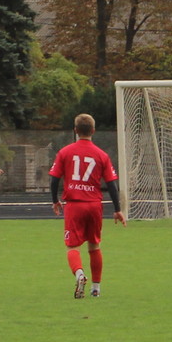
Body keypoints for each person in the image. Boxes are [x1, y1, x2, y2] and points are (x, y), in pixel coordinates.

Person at [48, 113, 125, 298]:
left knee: (72, 247)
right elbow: (112, 185)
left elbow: (54, 179)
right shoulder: (102, 155)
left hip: (75, 205)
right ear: (93, 131)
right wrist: (117, 209)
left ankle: (80, 274)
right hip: (94, 205)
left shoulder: (65, 152)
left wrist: (55, 200)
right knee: (94, 246)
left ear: (75, 131)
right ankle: (96, 288)